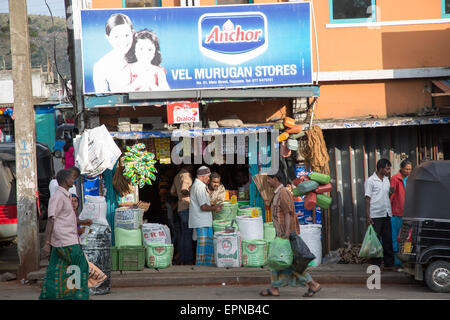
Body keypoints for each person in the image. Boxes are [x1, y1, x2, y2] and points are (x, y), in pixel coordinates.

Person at [259, 170, 322, 298]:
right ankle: (275, 288)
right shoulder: (277, 193)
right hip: (282, 235)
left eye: (269, 179)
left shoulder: (283, 193)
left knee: (288, 263)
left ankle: (312, 284)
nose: (268, 182)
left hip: (286, 235)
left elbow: (288, 213)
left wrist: (287, 233)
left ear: (275, 179)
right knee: (278, 261)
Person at [39, 169, 89, 300]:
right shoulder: (57, 197)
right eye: (72, 178)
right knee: (81, 266)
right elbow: (51, 219)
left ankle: (50, 295)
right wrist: (47, 243)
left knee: (55, 269)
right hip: (66, 240)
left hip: (64, 239)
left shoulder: (66, 196)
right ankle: (79, 296)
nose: (73, 180)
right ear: (65, 180)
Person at [364, 158, 395, 270]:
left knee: (388, 239)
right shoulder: (370, 181)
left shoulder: (387, 180)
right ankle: (376, 265)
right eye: (387, 168)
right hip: (375, 215)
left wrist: (391, 193)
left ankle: (389, 264)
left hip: (386, 213)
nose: (388, 170)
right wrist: (368, 217)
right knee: (375, 241)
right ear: (380, 168)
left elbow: (386, 197)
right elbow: (367, 199)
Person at [93, 13, 135, 93]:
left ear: (132, 33)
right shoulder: (100, 66)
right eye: (116, 36)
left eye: (126, 35)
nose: (123, 41)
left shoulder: (143, 56)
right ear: (108, 38)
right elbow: (101, 97)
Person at [189, 166, 222, 266]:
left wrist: (212, 206)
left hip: (202, 221)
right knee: (203, 248)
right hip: (201, 222)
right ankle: (202, 267)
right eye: (208, 176)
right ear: (202, 176)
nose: (209, 178)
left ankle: (205, 266)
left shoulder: (199, 186)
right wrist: (215, 208)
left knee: (206, 246)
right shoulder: (199, 187)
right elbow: (203, 207)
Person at [389, 159, 412, 267]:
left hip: (408, 214)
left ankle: (406, 260)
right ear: (401, 169)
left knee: (407, 239)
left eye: (410, 169)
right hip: (396, 214)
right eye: (407, 169)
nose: (408, 171)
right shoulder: (395, 179)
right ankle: (397, 262)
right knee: (396, 239)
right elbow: (391, 197)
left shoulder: (410, 179)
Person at [170, 165, 194, 265]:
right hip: (187, 207)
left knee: (183, 235)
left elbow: (172, 192)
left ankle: (183, 258)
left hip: (180, 207)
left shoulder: (177, 175)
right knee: (187, 235)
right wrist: (192, 195)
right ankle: (187, 260)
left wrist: (179, 197)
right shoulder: (186, 175)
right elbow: (184, 190)